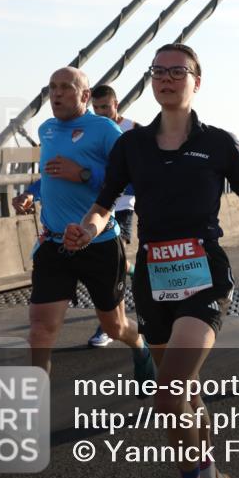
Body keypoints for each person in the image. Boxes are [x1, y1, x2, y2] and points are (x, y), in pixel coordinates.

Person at [64, 43, 239, 478]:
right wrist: (89, 228)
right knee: (186, 393)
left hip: (204, 277)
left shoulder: (219, 143)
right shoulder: (131, 145)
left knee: (169, 393)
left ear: (196, 81)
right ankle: (213, 477)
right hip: (154, 280)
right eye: (157, 71)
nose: (165, 78)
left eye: (177, 71)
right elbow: (105, 202)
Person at [11, 67, 154, 381]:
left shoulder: (104, 130)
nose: (57, 93)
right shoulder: (47, 128)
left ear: (85, 95)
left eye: (65, 87)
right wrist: (30, 194)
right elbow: (51, 176)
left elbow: (131, 184)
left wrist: (84, 174)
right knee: (40, 331)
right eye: (52, 87)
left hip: (98, 243)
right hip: (54, 243)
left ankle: (140, 346)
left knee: (113, 327)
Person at [86, 85, 141, 348]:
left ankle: (107, 326)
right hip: (97, 207)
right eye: (95, 109)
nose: (101, 113)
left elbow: (143, 172)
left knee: (109, 265)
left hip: (123, 206)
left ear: (116, 104)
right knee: (111, 265)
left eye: (105, 107)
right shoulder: (90, 131)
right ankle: (134, 272)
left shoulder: (133, 129)